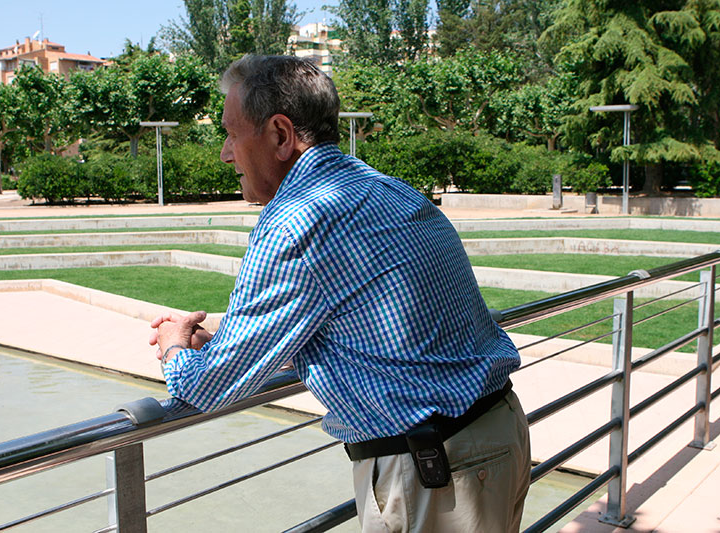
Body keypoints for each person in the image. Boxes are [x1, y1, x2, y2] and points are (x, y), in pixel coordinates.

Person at [151, 54, 530, 532]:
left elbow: (208, 389)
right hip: (497, 437)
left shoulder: (295, 221)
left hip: (435, 475)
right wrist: (232, 343)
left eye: (231, 133)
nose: (226, 153)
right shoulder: (390, 189)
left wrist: (174, 347)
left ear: (280, 135)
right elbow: (365, 325)